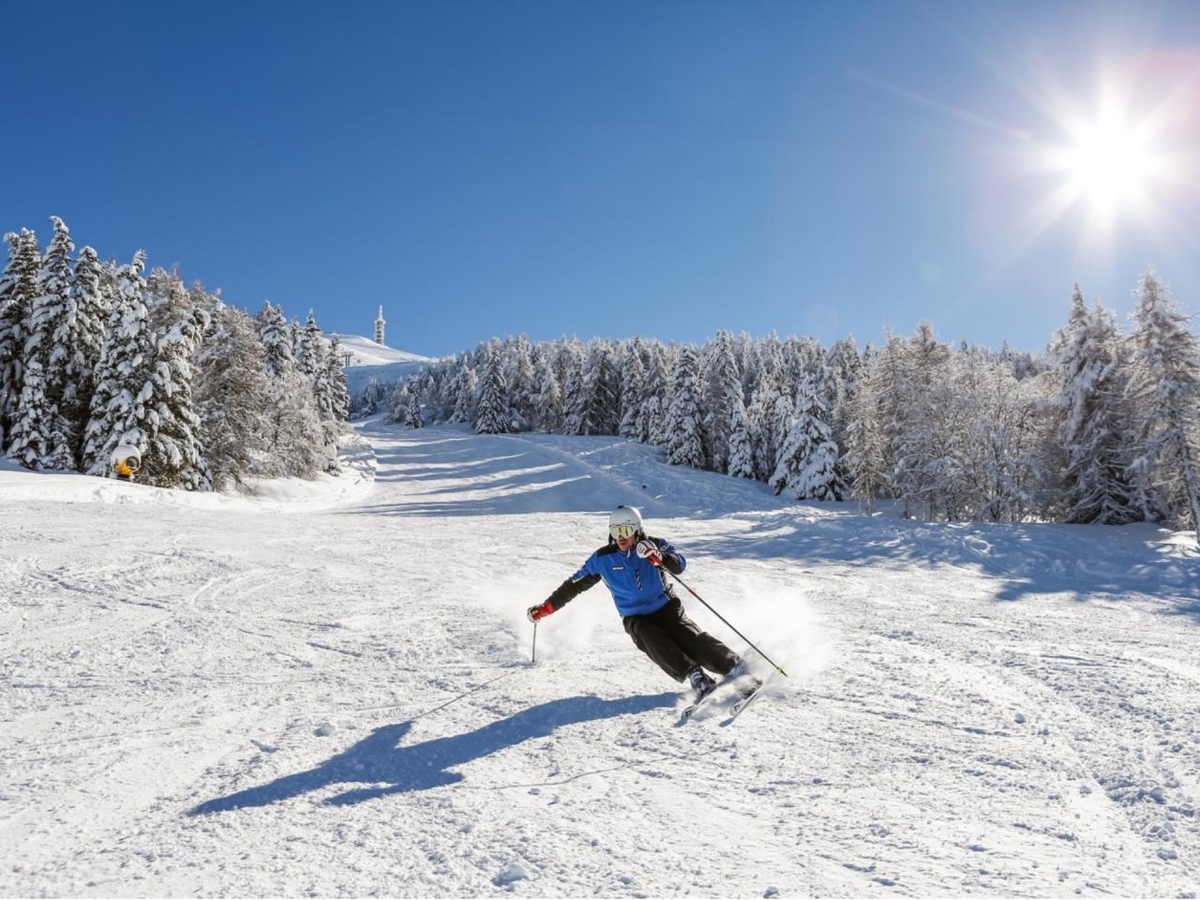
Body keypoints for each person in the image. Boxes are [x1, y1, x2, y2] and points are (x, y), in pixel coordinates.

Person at [527, 505, 754, 700]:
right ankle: (696, 676)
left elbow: (679, 565)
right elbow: (573, 585)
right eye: (615, 532)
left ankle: (733, 667)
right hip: (635, 616)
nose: (621, 537)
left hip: (665, 607)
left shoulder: (654, 545)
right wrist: (547, 608)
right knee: (650, 638)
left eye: (625, 530)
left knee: (687, 635)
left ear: (637, 530)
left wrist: (659, 558)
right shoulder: (603, 559)